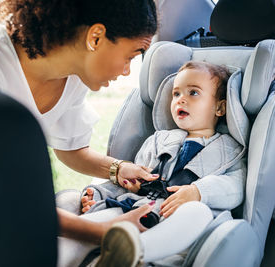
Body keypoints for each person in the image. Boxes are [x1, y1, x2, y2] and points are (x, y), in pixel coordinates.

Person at [0, 0, 160, 245]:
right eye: (130, 56)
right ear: (96, 38)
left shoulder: (75, 74)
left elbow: (71, 150)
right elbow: (0, 195)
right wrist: (106, 232)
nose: (126, 71)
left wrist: (118, 169)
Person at [59, 61, 246, 266]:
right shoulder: (158, 140)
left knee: (198, 212)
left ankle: (133, 252)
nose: (180, 100)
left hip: (176, 224)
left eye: (193, 93)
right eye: (176, 94)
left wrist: (199, 192)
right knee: (78, 232)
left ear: (220, 107)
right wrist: (99, 194)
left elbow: (235, 187)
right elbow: (129, 180)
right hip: (136, 210)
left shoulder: (231, 150)